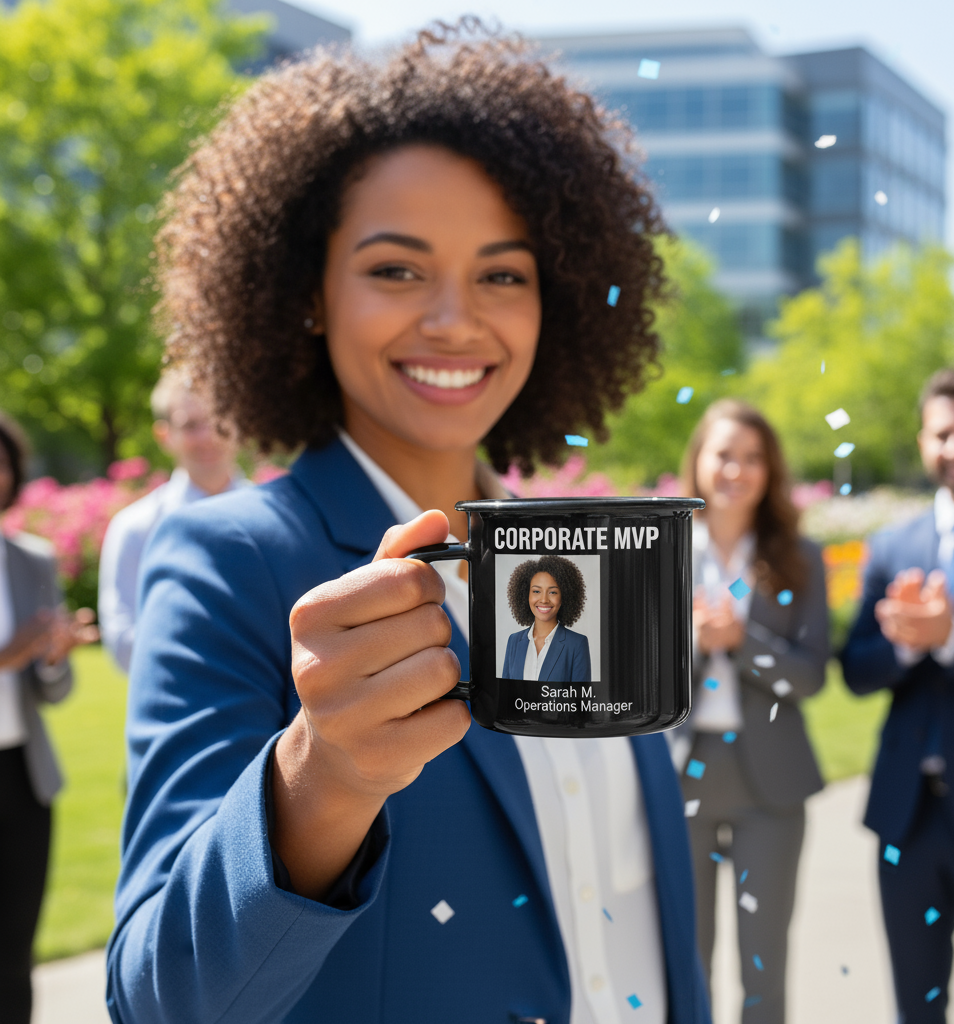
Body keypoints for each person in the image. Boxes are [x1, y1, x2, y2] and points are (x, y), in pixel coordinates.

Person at [106, 25, 710, 1024]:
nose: (452, 318)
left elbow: (632, 907)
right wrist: (322, 779)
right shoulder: (233, 564)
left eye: (503, 274)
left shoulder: (585, 563)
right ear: (306, 294)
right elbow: (158, 999)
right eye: (395, 269)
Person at [841, 368, 954, 1023]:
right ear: (924, 442)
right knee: (915, 1010)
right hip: (906, 821)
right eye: (943, 434)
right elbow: (856, 671)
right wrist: (907, 646)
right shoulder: (894, 545)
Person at [669, 399, 829, 1024]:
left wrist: (743, 643)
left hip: (772, 783)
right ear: (699, 463)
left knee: (764, 963)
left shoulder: (800, 557)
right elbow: (636, 671)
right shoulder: (663, 550)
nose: (737, 469)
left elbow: (811, 675)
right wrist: (693, 640)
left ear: (771, 470)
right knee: (689, 958)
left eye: (753, 458)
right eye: (724, 454)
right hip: (685, 772)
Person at [0, 413, 99, 1024]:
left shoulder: (32, 561)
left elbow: (53, 691)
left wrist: (54, 657)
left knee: (14, 955)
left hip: (22, 782)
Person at [98, 369, 246, 672]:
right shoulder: (134, 529)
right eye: (190, 425)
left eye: (218, 420)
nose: (207, 436)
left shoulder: (286, 518)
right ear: (164, 435)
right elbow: (122, 646)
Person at [502, 555, 592, 682]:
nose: (544, 600)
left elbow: (580, 699)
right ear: (525, 595)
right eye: (536, 591)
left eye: (553, 592)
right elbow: (506, 695)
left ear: (564, 596)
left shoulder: (577, 644)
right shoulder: (514, 641)